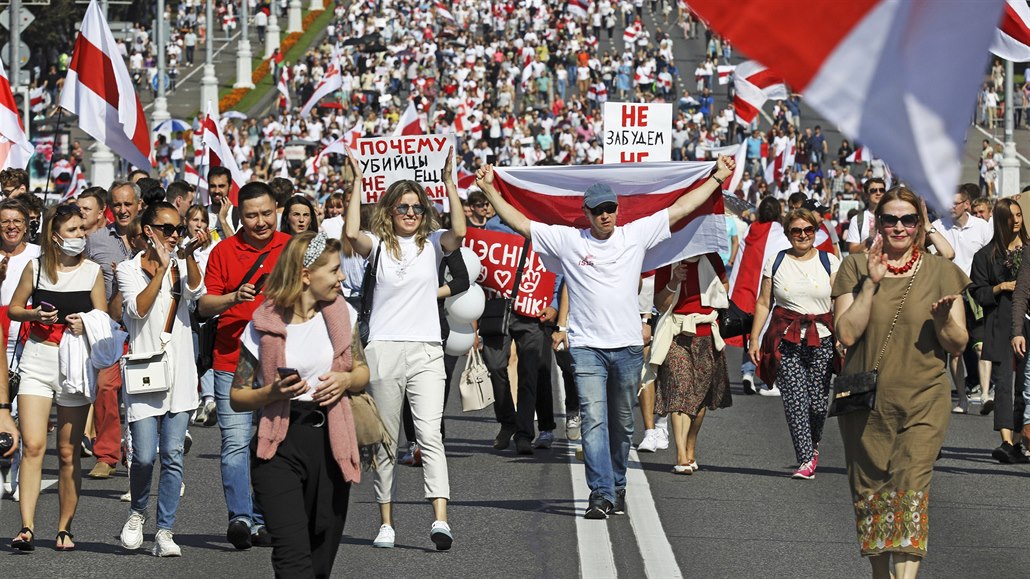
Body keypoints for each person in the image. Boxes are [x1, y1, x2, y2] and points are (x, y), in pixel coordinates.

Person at [475, 155, 735, 519]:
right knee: (594, 421)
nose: (605, 216)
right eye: (598, 210)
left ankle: (618, 483)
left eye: (610, 208)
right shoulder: (569, 240)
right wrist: (488, 187)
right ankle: (600, 492)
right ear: (586, 212)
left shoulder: (635, 234)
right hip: (586, 350)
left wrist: (717, 179)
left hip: (628, 347)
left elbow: (680, 209)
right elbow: (522, 223)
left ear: (617, 209)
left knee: (622, 424)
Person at [832, 187, 969, 579]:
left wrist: (944, 323)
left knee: (910, 485)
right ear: (877, 222)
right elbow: (846, 333)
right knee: (872, 491)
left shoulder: (942, 272)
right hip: (866, 403)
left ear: (920, 224)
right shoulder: (855, 267)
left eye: (908, 219)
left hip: (925, 398)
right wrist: (871, 285)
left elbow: (957, 344)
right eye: (890, 219)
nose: (899, 227)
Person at [230, 231, 368, 578]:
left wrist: (346, 380)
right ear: (306, 275)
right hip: (279, 444)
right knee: (293, 558)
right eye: (335, 270)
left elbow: (363, 372)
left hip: (331, 444)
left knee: (320, 559)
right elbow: (237, 396)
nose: (342, 278)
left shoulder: (342, 316)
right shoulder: (263, 323)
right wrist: (271, 393)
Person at [344, 151, 464, 551]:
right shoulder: (376, 245)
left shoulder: (433, 243)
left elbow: (459, 233)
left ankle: (440, 520)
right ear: (390, 210)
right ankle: (386, 522)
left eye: (416, 207)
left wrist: (449, 183)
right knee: (386, 440)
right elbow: (350, 233)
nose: (410, 212)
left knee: (430, 434)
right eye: (403, 207)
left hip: (427, 349)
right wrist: (358, 181)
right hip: (383, 349)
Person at [8, 204, 106, 551]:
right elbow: (14, 308)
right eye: (73, 230)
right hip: (37, 358)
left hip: (74, 363)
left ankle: (65, 528)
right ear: (54, 236)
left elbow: (103, 318)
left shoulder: (93, 271)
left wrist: (86, 323)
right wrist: (33, 312)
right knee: (33, 446)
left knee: (67, 452)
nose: (81, 235)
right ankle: (26, 527)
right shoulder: (35, 269)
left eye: (82, 229)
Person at [198, 181, 291, 549]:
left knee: (272, 443)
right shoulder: (223, 250)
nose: (260, 221)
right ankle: (240, 517)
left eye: (266, 213)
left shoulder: (292, 248)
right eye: (251, 215)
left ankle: (264, 519)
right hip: (232, 360)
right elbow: (204, 306)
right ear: (240, 216)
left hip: (279, 360)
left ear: (275, 212)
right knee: (235, 442)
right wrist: (234, 297)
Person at [116, 202, 207, 556]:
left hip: (180, 370)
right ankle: (137, 511)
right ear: (148, 231)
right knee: (142, 457)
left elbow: (197, 294)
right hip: (144, 371)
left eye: (178, 229)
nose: (174, 235)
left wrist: (188, 258)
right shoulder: (128, 269)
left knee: (172, 454)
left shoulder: (181, 264)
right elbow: (137, 309)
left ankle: (165, 530)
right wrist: (162, 267)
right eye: (166, 229)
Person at [749, 208, 839, 479]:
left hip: (822, 339)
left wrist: (846, 337)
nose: (802, 235)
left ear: (816, 232)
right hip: (785, 338)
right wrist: (754, 338)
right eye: (796, 231)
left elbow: (841, 301)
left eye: (808, 230)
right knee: (796, 401)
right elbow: (764, 302)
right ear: (788, 234)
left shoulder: (830, 261)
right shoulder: (776, 261)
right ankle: (805, 458)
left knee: (818, 404)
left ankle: (812, 444)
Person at [649, 253, 732, 474]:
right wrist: (674, 281)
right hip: (677, 335)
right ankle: (681, 455)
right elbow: (660, 304)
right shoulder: (668, 260)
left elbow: (724, 289)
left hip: (706, 336)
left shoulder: (712, 258)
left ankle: (690, 445)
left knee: (700, 400)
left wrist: (716, 285)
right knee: (680, 390)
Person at [84, 181, 141, 480]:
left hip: (144, 327)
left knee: (142, 391)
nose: (122, 210)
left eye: (127, 204)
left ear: (139, 206)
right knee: (106, 387)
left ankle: (142, 452)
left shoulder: (151, 234)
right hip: (111, 326)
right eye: (117, 205)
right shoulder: (95, 240)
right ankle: (106, 454)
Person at [970, 199, 1029, 463]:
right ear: (1000, 220)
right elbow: (978, 293)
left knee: (1025, 385)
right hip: (1000, 322)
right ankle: (1006, 441)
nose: (1016, 220)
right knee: (1005, 382)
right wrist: (1001, 287)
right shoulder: (986, 255)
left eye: (1019, 215)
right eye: (1010, 216)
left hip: (1026, 322)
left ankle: (1020, 437)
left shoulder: (1028, 250)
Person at [933, 183, 993, 414]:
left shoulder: (982, 227)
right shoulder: (939, 226)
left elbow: (992, 256)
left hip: (975, 292)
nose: (949, 206)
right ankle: (963, 400)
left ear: (966, 204)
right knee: (955, 351)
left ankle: (986, 395)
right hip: (950, 293)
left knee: (981, 346)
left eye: (954, 203)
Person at [727, 196, 790, 396]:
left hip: (747, 289)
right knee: (768, 334)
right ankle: (766, 379)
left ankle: (747, 373)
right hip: (768, 289)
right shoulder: (780, 233)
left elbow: (741, 260)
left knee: (751, 333)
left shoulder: (751, 230)